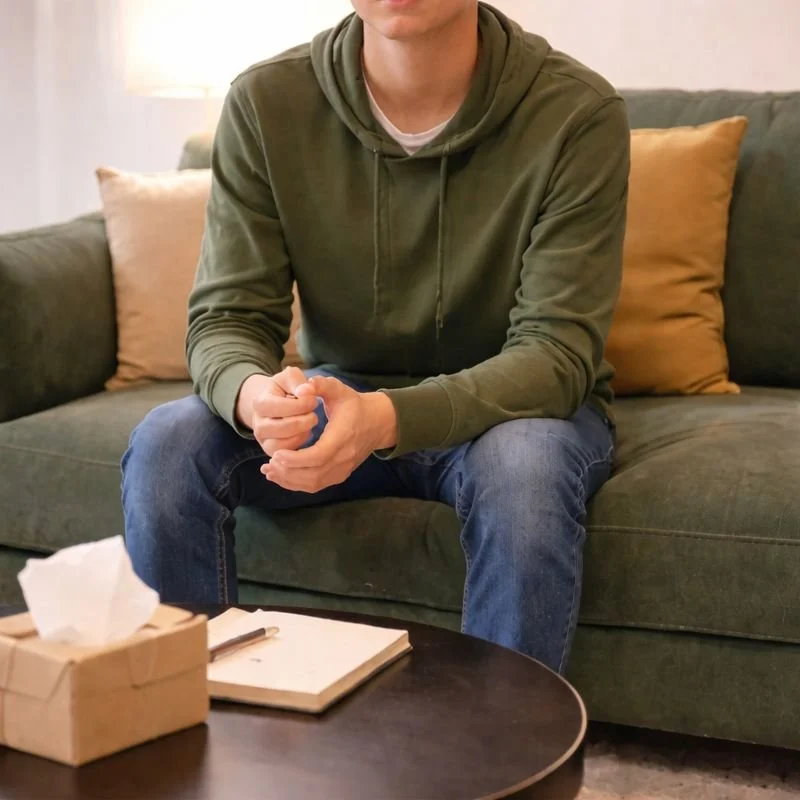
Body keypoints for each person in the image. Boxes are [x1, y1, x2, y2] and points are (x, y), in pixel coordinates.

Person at [122, 0, 629, 675]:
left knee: (524, 474)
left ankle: (498, 769)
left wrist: (386, 418)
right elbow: (229, 317)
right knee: (168, 442)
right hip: (345, 395)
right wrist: (254, 396)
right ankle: (182, 733)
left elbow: (556, 354)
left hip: (516, 411)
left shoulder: (576, 111)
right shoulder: (266, 101)